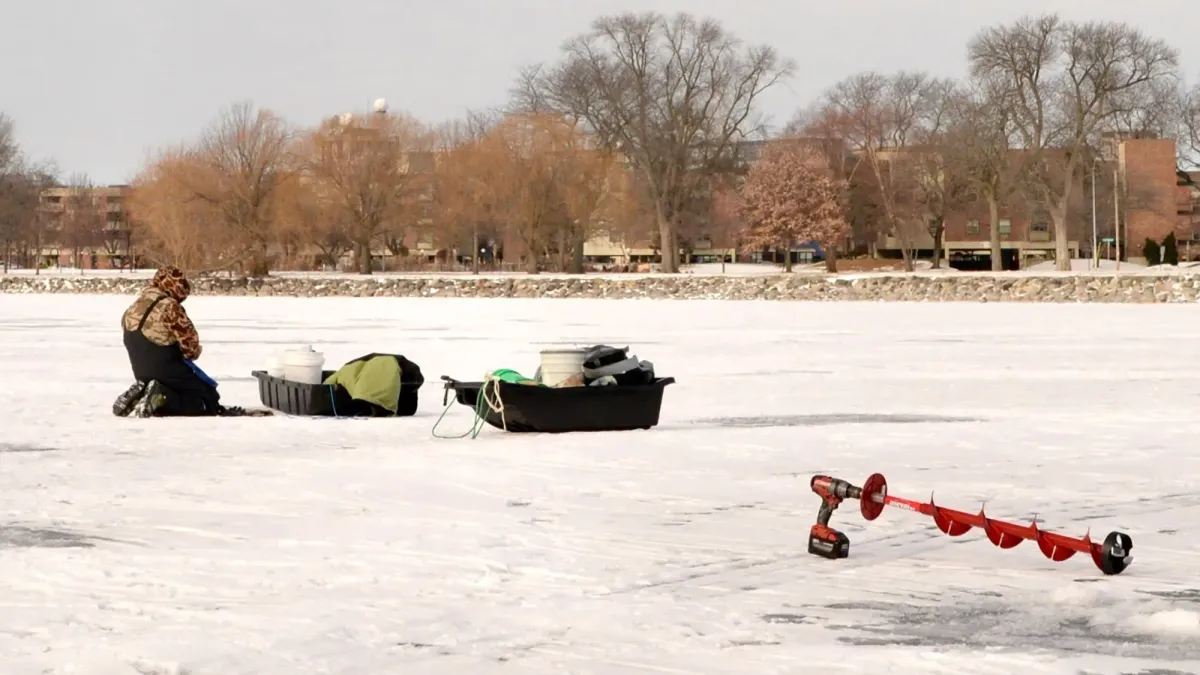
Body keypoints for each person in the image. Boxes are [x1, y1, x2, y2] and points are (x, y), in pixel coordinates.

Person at [112, 266, 224, 418]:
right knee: (208, 400)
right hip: (168, 369)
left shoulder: (133, 307)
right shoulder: (170, 306)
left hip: (140, 371)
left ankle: (144, 392)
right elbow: (190, 347)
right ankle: (161, 398)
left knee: (170, 391)